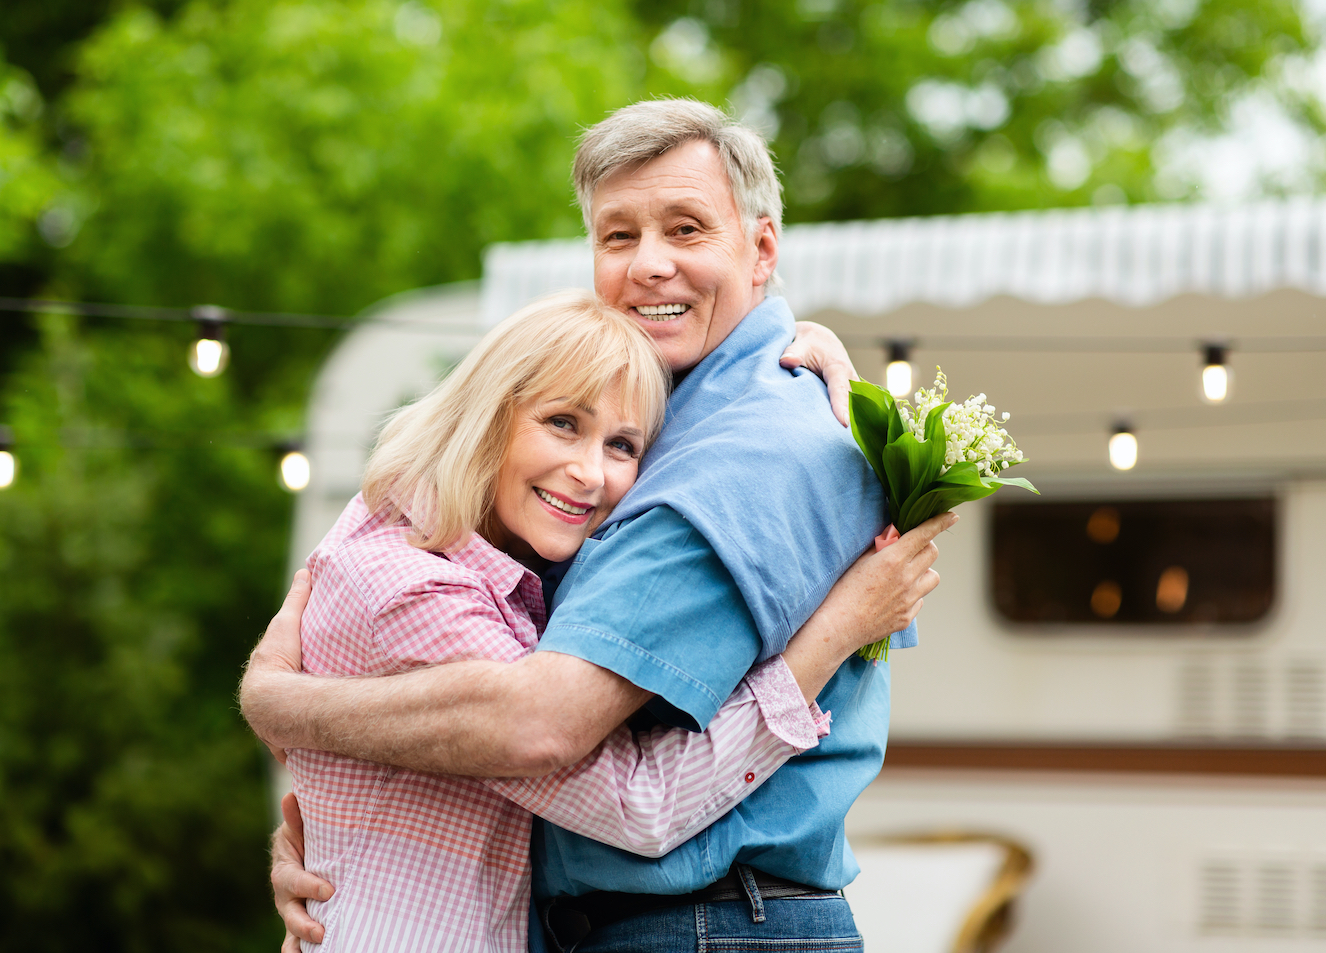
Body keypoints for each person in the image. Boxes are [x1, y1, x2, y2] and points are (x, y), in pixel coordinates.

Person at [243, 98, 955, 952]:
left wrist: (281, 701)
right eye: (618, 237)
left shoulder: (747, 450)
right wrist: (349, 826)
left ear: (762, 249)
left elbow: (541, 729)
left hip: (708, 921)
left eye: (686, 229)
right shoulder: (669, 417)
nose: (649, 265)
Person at [284, 290, 886, 952]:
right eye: (564, 423)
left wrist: (785, 343)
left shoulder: (463, 555)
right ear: (489, 414)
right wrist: (839, 627)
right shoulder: (419, 588)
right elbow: (639, 806)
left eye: (622, 444)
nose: (589, 473)